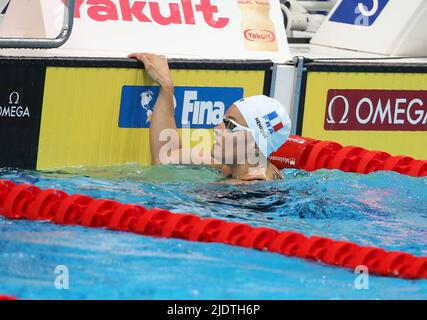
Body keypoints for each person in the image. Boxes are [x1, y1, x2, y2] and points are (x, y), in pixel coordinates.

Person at [128, 53, 291, 181]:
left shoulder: (241, 194)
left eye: (230, 125)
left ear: (255, 145)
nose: (217, 128)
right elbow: (167, 155)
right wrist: (165, 85)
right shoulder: (237, 167)